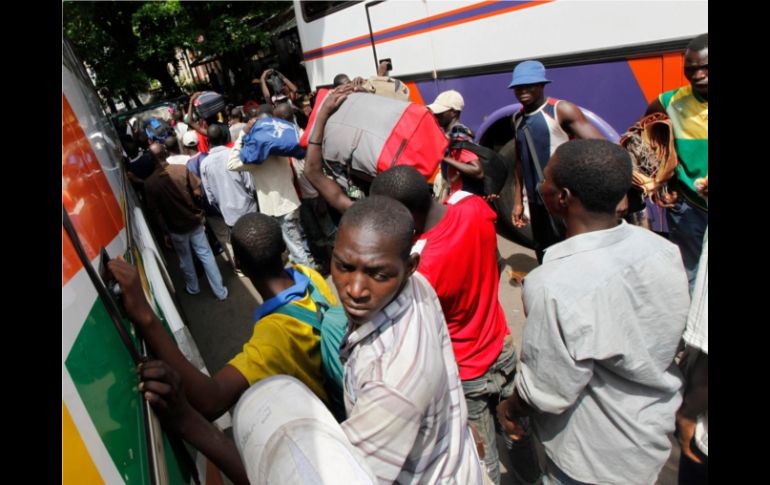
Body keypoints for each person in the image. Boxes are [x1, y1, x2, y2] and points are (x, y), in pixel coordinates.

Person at [303, 87, 538, 484]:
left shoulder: (417, 270)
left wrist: (322, 116)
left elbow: (316, 177)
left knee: (480, 461)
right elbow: (494, 262)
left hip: (468, 372)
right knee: (519, 433)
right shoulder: (474, 208)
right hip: (502, 346)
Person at [496, 139, 690, 484]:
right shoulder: (662, 250)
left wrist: (510, 410)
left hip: (591, 458)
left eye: (546, 180)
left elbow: (548, 389)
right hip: (651, 437)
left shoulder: (550, 284)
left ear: (562, 198)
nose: (540, 185)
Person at [114, 212, 340, 479]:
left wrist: (146, 318)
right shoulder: (309, 276)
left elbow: (211, 400)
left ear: (239, 265)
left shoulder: (274, 335)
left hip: (323, 439)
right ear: (282, 249)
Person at [332, 196, 484, 483]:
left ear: (411, 265)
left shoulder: (392, 381)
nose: (355, 289)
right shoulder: (416, 285)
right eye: (344, 267)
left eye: (378, 274)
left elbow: (350, 476)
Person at [507, 60, 605, 263]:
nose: (522, 90)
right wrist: (518, 201)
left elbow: (603, 148)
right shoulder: (517, 118)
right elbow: (519, 161)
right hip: (536, 201)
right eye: (518, 87)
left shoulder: (561, 110)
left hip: (563, 200)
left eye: (529, 85)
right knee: (543, 251)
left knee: (570, 252)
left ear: (542, 85)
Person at [644, 33, 708, 287]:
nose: (698, 75)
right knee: (689, 273)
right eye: (690, 70)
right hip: (688, 207)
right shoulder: (668, 101)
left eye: (705, 68)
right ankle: (693, 327)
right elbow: (644, 137)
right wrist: (660, 181)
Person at [143, 142, 228, 300]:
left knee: (185, 260)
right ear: (166, 153)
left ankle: (193, 288)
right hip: (194, 222)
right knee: (206, 255)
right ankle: (220, 292)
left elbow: (155, 212)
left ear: (151, 159)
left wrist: (164, 233)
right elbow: (198, 192)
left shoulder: (149, 184)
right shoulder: (181, 170)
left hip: (175, 229)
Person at [427, 90, 485, 199]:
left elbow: (478, 171)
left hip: (465, 197)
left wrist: (442, 157)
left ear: (454, 112)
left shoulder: (459, 135)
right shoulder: (449, 134)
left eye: (440, 112)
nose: (435, 114)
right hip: (456, 194)